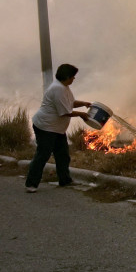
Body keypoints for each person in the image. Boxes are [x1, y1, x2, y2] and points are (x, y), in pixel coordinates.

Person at [24, 63, 91, 193]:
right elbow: (64, 111)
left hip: (57, 128)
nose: (74, 79)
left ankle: (65, 180)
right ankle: (31, 184)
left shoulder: (64, 87)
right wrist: (82, 114)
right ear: (67, 76)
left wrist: (83, 103)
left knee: (63, 155)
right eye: (73, 76)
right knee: (43, 155)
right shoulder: (57, 89)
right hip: (46, 127)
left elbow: (70, 103)